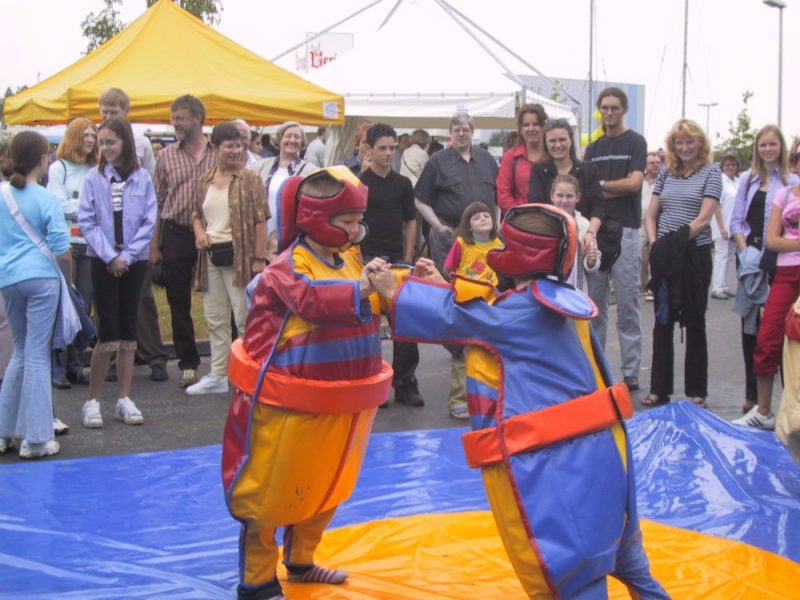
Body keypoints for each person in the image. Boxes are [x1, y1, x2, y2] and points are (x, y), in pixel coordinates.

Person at [369, 204, 668, 600]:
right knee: (629, 559)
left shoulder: (514, 314)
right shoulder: (564, 300)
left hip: (565, 466)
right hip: (609, 457)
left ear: (519, 254)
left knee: (575, 574)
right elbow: (485, 312)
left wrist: (392, 290)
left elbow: (462, 320)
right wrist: (441, 283)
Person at [222, 166, 392, 600]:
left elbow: (369, 296)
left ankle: (300, 560)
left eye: (358, 220)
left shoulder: (352, 257)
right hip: (286, 404)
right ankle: (257, 583)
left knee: (325, 485)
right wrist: (364, 288)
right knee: (270, 493)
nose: (356, 229)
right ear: (317, 216)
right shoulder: (287, 267)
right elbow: (312, 300)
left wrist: (401, 281)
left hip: (340, 403)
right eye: (346, 221)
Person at [415, 112, 499, 414]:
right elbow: (420, 199)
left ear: (473, 132)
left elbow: (497, 199)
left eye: (466, 129)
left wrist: (496, 231)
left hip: (486, 243)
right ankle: (459, 368)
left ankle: (486, 378)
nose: (462, 133)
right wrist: (437, 226)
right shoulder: (438, 162)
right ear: (450, 133)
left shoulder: (488, 160)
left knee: (488, 302)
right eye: (456, 129)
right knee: (455, 300)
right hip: (451, 240)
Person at [78, 118, 156, 428]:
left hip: (133, 263)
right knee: (108, 330)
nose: (106, 148)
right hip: (103, 261)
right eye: (102, 142)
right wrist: (111, 256)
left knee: (128, 330)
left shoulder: (143, 178)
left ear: (125, 142)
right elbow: (88, 220)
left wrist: (128, 255)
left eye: (112, 142)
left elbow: (150, 220)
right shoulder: (93, 179)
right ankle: (93, 400)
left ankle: (124, 397)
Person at [0, 132, 70, 458]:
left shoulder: (2, 194)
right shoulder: (46, 199)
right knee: (38, 355)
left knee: (21, 352)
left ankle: (4, 432)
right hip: (42, 279)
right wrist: (68, 283)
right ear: (44, 160)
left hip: (9, 279)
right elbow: (61, 248)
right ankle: (38, 437)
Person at [642, 119, 721, 408]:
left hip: (694, 255)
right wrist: (656, 245)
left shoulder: (712, 173)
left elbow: (703, 218)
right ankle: (659, 389)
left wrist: (675, 242)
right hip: (665, 256)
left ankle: (696, 392)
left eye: (690, 141)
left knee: (695, 320)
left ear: (700, 143)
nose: (685, 147)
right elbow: (651, 214)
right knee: (662, 322)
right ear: (673, 146)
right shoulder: (666, 174)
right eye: (680, 142)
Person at [187, 123, 268, 396]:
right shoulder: (205, 179)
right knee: (216, 317)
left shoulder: (250, 179)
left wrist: (259, 258)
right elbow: (196, 214)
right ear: (215, 147)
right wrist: (199, 233)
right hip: (211, 256)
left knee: (244, 317)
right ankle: (219, 374)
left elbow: (260, 221)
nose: (235, 150)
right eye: (229, 145)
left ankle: (248, 375)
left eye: (238, 145)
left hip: (242, 256)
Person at [99, 87, 169, 383]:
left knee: (142, 298)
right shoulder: (100, 142)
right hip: (107, 236)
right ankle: (116, 355)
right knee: (109, 302)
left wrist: (152, 243)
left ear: (126, 111)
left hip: (136, 234)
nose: (107, 115)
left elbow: (151, 194)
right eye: (104, 110)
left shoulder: (140, 144)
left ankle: (155, 356)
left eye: (113, 111)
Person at [729, 125, 799, 414]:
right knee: (751, 328)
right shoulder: (747, 180)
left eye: (773, 144)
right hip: (751, 259)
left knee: (783, 329)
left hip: (779, 261)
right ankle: (754, 397)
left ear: (781, 148)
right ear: (756, 148)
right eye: (763, 144)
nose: (768, 149)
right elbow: (736, 222)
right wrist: (746, 254)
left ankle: (787, 399)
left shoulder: (790, 181)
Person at [583, 87, 647, 391]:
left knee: (627, 304)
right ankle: (597, 370)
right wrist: (608, 187)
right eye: (604, 108)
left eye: (614, 108)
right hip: (597, 231)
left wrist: (602, 185)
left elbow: (634, 184)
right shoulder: (592, 149)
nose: (609, 113)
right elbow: (587, 191)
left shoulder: (636, 142)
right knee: (595, 305)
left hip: (628, 231)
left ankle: (631, 372)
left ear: (624, 110)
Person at [152, 95, 218, 389]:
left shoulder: (219, 152)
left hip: (215, 232)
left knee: (220, 299)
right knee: (178, 301)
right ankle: (188, 363)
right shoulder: (165, 156)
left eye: (179, 118)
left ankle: (223, 363)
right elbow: (156, 202)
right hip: (176, 232)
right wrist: (154, 246)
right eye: (173, 118)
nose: (175, 123)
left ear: (198, 118)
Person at [359, 123, 423, 408]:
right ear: (369, 150)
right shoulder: (358, 184)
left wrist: (408, 256)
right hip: (366, 262)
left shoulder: (403, 184)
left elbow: (411, 220)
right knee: (368, 324)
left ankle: (406, 382)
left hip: (397, 261)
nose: (388, 153)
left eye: (392, 148)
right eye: (382, 148)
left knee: (405, 323)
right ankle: (373, 380)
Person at [47, 117, 99, 389]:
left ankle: (75, 363)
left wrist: (80, 206)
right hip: (63, 245)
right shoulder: (59, 168)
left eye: (94, 135)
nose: (90, 140)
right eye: (86, 135)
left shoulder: (96, 168)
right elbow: (57, 203)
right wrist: (87, 208)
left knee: (84, 304)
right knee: (62, 303)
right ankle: (57, 364)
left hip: (89, 246)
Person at [528, 118, 605, 251]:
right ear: (546, 143)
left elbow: (598, 207)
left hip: (583, 238)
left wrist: (590, 233)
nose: (557, 145)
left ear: (571, 140)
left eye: (562, 140)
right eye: (552, 141)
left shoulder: (589, 170)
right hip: (550, 240)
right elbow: (536, 206)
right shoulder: (538, 170)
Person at [252, 121, 313, 237]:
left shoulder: (311, 171)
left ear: (302, 142)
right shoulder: (260, 166)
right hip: (262, 235)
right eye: (288, 136)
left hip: (294, 236)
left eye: (297, 137)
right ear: (279, 140)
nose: (292, 140)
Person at [549, 174, 602, 291]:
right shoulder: (544, 223)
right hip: (549, 290)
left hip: (577, 292)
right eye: (560, 195)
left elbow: (592, 265)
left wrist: (591, 261)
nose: (564, 200)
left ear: (577, 197)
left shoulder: (584, 225)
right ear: (552, 196)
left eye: (569, 196)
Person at [497, 103, 548, 214]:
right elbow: (503, 195)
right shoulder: (510, 157)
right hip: (519, 223)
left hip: (551, 223)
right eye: (526, 125)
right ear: (520, 129)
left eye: (535, 124)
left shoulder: (552, 155)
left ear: (543, 126)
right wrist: (521, 218)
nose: (531, 128)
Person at [710, 155, 741, 299]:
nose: (730, 167)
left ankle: (724, 285)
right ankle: (717, 287)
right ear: (723, 166)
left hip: (734, 225)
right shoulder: (720, 181)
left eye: (733, 165)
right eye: (728, 165)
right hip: (721, 224)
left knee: (729, 256)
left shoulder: (737, 182)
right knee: (721, 255)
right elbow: (716, 204)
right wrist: (721, 226)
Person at [640, 152, 661, 300]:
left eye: (658, 162)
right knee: (642, 255)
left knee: (655, 254)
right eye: (652, 162)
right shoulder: (639, 181)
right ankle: (643, 285)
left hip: (657, 222)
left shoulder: (663, 181)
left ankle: (653, 287)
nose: (655, 165)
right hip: (639, 222)